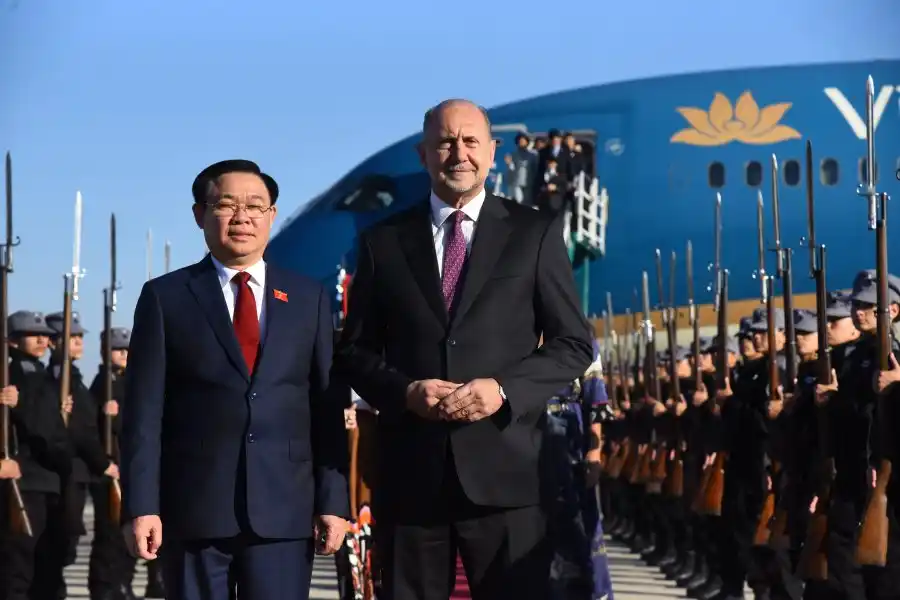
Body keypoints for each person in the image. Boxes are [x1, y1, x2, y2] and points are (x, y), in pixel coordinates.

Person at [334, 99, 594, 600]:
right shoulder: (381, 242)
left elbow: (572, 344)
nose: (459, 153)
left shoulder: (534, 233)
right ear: (424, 154)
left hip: (508, 477)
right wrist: (406, 391)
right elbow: (354, 352)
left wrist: (503, 390)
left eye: (471, 141)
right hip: (412, 477)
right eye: (445, 142)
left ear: (493, 152)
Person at [120, 159, 350, 600]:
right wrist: (142, 506)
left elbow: (326, 406)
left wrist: (332, 501)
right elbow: (143, 415)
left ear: (272, 215)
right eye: (226, 204)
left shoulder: (308, 298)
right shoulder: (166, 298)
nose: (242, 217)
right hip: (195, 509)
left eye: (255, 206)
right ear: (200, 214)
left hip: (285, 510)